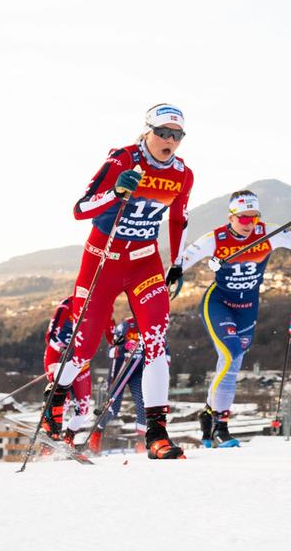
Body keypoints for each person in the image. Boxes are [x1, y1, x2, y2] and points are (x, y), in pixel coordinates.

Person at [43, 104, 193, 460]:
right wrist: (116, 193)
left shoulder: (183, 174)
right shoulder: (123, 160)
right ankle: (55, 404)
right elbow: (80, 209)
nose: (169, 141)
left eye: (177, 135)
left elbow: (179, 219)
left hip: (145, 263)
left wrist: (177, 264)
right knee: (84, 346)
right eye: (163, 133)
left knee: (156, 342)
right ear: (146, 131)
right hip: (103, 260)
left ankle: (157, 434)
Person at [172, 190, 291, 448]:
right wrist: (174, 273)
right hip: (219, 303)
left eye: (253, 218)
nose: (249, 224)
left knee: (232, 364)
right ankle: (220, 425)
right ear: (231, 217)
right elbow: (183, 260)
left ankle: (208, 413)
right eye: (243, 218)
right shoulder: (215, 238)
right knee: (229, 354)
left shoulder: (268, 232)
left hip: (248, 307)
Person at [89, 316, 145, 453]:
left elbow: (163, 349)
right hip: (121, 370)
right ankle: (97, 432)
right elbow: (111, 351)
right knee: (113, 409)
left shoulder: (150, 324)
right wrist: (124, 347)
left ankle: (141, 443)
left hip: (137, 371)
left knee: (142, 404)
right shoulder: (125, 326)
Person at [42, 297, 92, 447]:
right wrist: (62, 349)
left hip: (81, 362)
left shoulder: (100, 305)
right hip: (58, 356)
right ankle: (51, 434)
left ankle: (69, 438)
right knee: (63, 398)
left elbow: (110, 335)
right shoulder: (67, 305)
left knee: (83, 407)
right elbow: (50, 336)